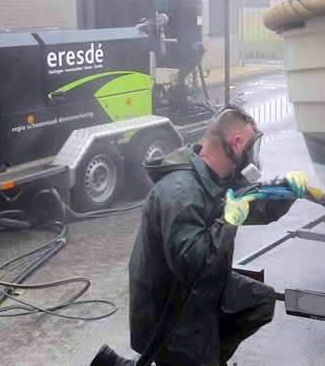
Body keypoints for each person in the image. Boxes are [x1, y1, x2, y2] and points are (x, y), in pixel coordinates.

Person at [125, 104, 309, 366]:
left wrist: (287, 190)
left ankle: (209, 358)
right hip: (171, 309)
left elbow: (258, 206)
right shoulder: (180, 192)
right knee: (196, 355)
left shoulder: (220, 179)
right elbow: (190, 263)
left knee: (259, 301)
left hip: (201, 288)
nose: (252, 154)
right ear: (235, 143)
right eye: (249, 145)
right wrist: (228, 223)